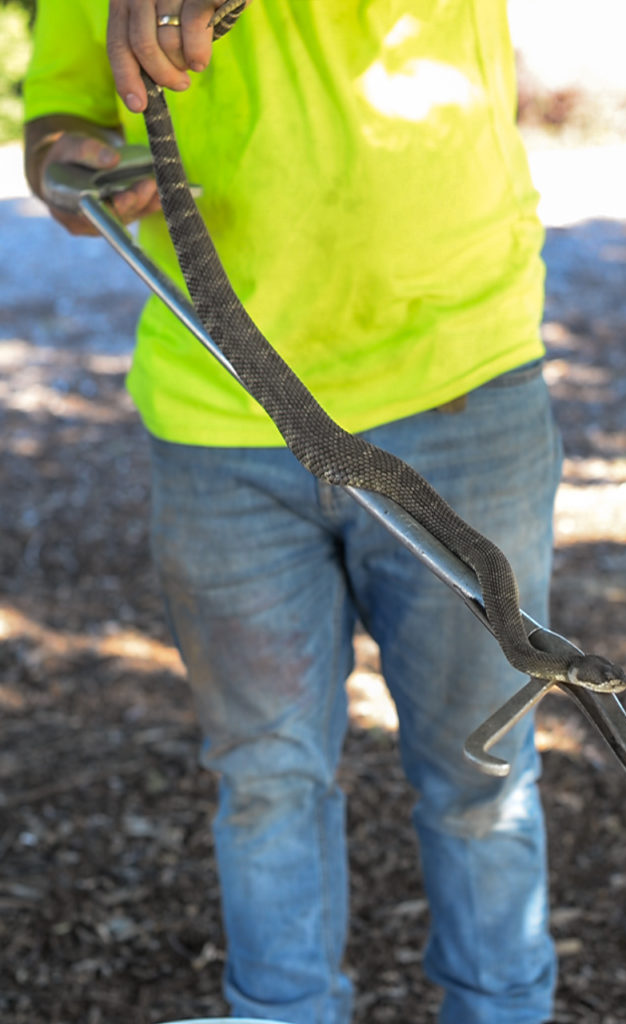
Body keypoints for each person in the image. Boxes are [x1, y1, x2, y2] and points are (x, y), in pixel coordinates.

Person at [24, 2, 563, 1021]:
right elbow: (56, 124)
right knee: (266, 777)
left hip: (454, 386)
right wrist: (81, 169)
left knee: (480, 772)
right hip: (218, 418)